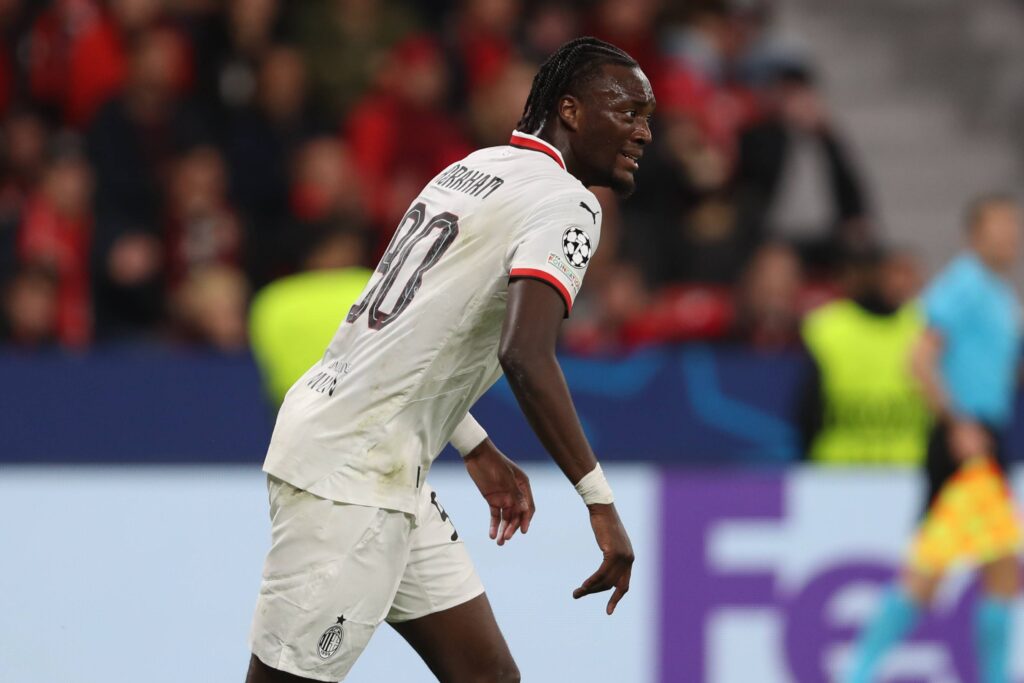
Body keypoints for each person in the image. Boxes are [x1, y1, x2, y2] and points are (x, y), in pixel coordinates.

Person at [245, 37, 654, 682]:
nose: (644, 131)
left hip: (379, 458)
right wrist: (598, 502)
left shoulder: (473, 167)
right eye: (629, 111)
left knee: (489, 678)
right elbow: (524, 353)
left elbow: (405, 332)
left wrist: (472, 442)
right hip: (353, 476)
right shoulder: (568, 202)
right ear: (571, 111)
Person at [845, 195, 1023, 683]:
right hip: (966, 441)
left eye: (1014, 226)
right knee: (946, 567)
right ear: (974, 234)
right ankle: (858, 671)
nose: (1010, 236)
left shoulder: (999, 295)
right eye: (1000, 226)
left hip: (987, 437)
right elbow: (919, 358)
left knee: (991, 564)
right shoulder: (963, 285)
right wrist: (959, 423)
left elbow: (999, 368)